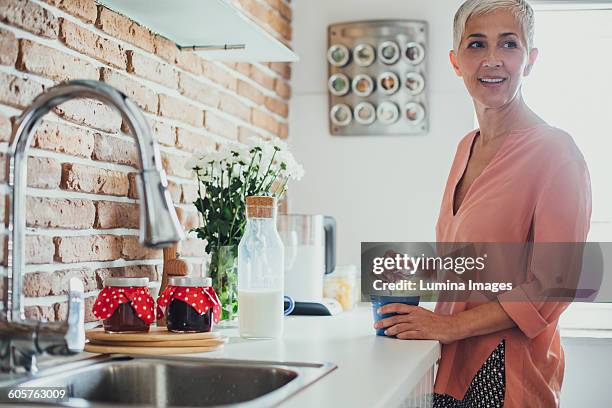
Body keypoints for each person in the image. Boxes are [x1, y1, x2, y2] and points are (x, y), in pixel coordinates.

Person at [373, 1, 592, 406]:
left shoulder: (555, 152)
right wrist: (419, 268)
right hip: (452, 368)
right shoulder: (465, 148)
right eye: (476, 45)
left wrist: (447, 325)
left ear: (530, 60)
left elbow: (553, 284)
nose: (492, 60)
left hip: (507, 375)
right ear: (457, 62)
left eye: (508, 44)